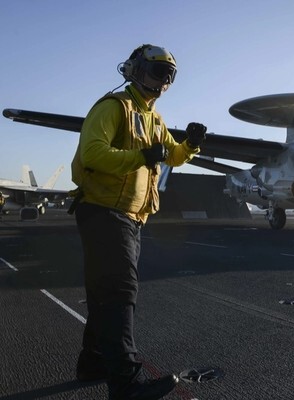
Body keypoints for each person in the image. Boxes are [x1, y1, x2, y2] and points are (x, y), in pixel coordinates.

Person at [72, 44, 207, 400]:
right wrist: (140, 156)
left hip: (132, 218)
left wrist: (190, 144)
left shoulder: (155, 119)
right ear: (133, 69)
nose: (162, 81)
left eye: (169, 76)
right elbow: (93, 153)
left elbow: (172, 156)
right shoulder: (112, 107)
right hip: (104, 211)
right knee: (120, 291)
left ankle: (93, 362)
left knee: (105, 293)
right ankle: (126, 384)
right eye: (156, 71)